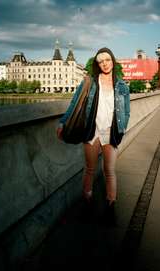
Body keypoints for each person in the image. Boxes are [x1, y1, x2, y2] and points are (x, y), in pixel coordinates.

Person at [57, 47, 130, 226]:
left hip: (111, 133)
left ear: (112, 60)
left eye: (107, 59)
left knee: (110, 171)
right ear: (98, 64)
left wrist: (122, 128)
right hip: (92, 131)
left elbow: (126, 111)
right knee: (90, 168)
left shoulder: (121, 85)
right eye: (101, 61)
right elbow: (75, 102)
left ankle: (111, 205)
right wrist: (63, 121)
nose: (105, 63)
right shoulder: (90, 82)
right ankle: (87, 200)